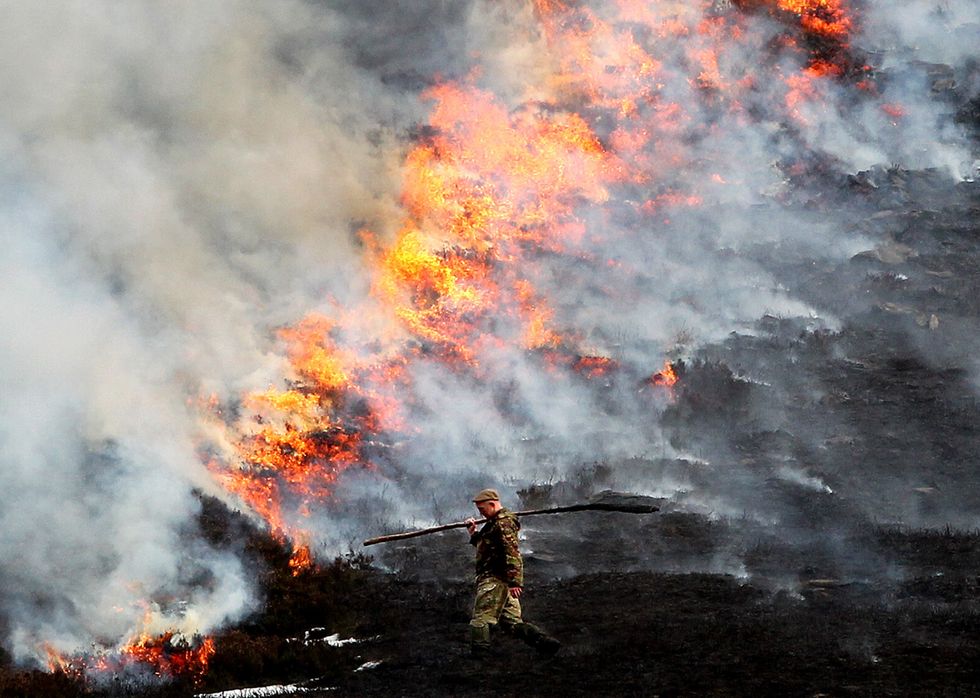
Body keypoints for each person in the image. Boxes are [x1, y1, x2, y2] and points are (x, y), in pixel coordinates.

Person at [465, 488, 561, 657]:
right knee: (512, 623)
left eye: (483, 510)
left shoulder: (503, 523)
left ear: (493, 504)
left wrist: (515, 582)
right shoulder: (495, 522)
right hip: (502, 581)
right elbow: (489, 549)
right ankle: (544, 643)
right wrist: (474, 534)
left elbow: (512, 552)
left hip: (495, 580)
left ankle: (479, 657)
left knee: (480, 618)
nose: (481, 514)